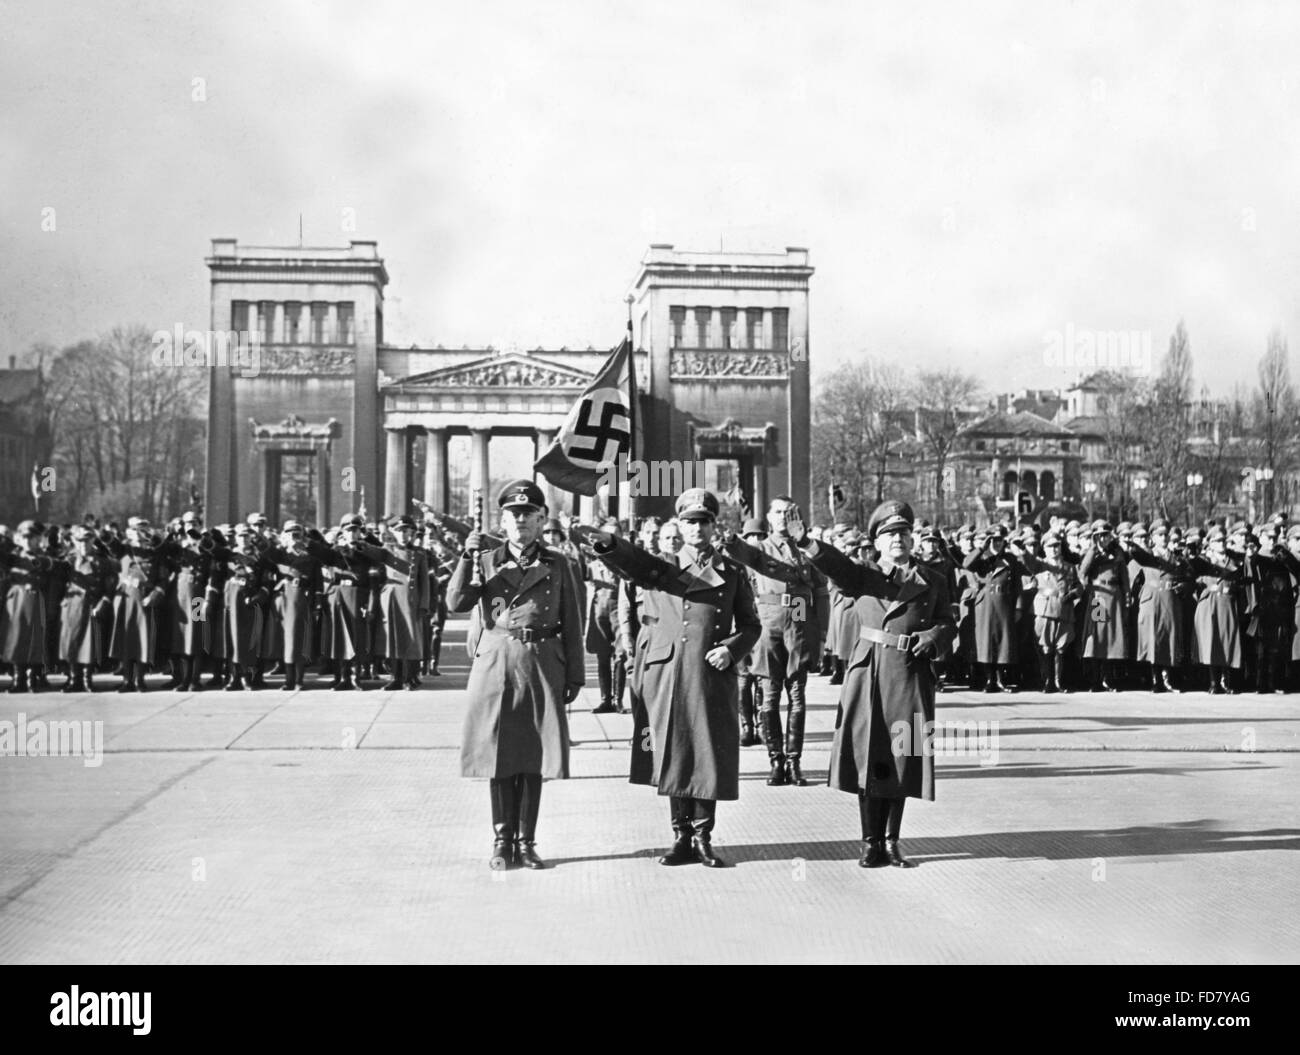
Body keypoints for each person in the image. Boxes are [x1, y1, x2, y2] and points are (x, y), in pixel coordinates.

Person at [580, 488, 760, 868]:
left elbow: (750, 624)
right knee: (673, 752)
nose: (697, 528)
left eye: (704, 521)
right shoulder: (663, 565)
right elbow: (633, 564)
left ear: (714, 526)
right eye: (690, 521)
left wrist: (732, 648)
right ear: (679, 524)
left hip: (710, 671)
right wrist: (609, 545)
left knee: (706, 752)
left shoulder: (732, 571)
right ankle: (680, 836)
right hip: (669, 671)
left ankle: (703, 836)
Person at [793, 500, 955, 868]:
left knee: (903, 758)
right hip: (870, 674)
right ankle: (870, 842)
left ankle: (892, 841)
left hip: (911, 675)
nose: (897, 539)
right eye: (888, 534)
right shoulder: (863, 577)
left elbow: (948, 621)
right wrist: (806, 541)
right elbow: (834, 564)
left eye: (902, 533)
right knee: (868, 758)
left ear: (913, 539)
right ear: (876, 543)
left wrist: (934, 637)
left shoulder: (934, 580)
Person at [448, 479, 584, 871]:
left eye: (529, 514)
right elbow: (456, 602)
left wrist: (574, 674)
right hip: (495, 664)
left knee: (533, 756)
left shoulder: (560, 563)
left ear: (542, 519)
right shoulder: (485, 559)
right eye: (513, 514)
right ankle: (501, 840)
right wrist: (464, 557)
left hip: (540, 664)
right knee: (498, 754)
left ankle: (527, 842)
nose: (520, 520)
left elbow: (572, 620)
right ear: (501, 520)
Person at [720, 496, 820, 787]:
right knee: (771, 694)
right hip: (768, 623)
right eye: (778, 512)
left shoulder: (806, 549)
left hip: (798, 624)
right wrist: (729, 540)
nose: (783, 517)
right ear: (769, 516)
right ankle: (776, 761)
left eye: (789, 512)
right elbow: (741, 553)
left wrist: (820, 634)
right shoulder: (760, 548)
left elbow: (818, 593)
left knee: (798, 695)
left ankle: (794, 762)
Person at [962, 523, 1022, 693]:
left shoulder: (1010, 559)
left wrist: (1018, 607)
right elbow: (966, 564)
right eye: (993, 540)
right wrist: (981, 548)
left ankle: (1001, 680)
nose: (997, 543)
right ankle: (990, 680)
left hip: (1004, 603)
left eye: (1000, 540)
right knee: (987, 642)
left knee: (1003, 642)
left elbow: (1017, 585)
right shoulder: (982, 558)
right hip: (986, 603)